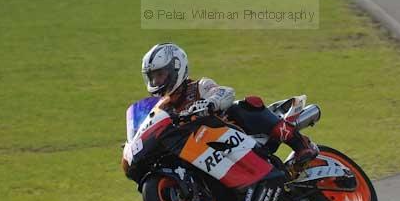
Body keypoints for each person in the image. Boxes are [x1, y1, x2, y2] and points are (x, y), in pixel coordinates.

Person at [122, 42, 318, 178]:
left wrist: (211, 103)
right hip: (202, 150)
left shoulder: (198, 86)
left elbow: (225, 92)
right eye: (152, 77)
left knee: (244, 106)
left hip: (234, 135)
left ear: (176, 68)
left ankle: (301, 145)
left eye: (160, 75)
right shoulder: (163, 107)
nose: (156, 82)